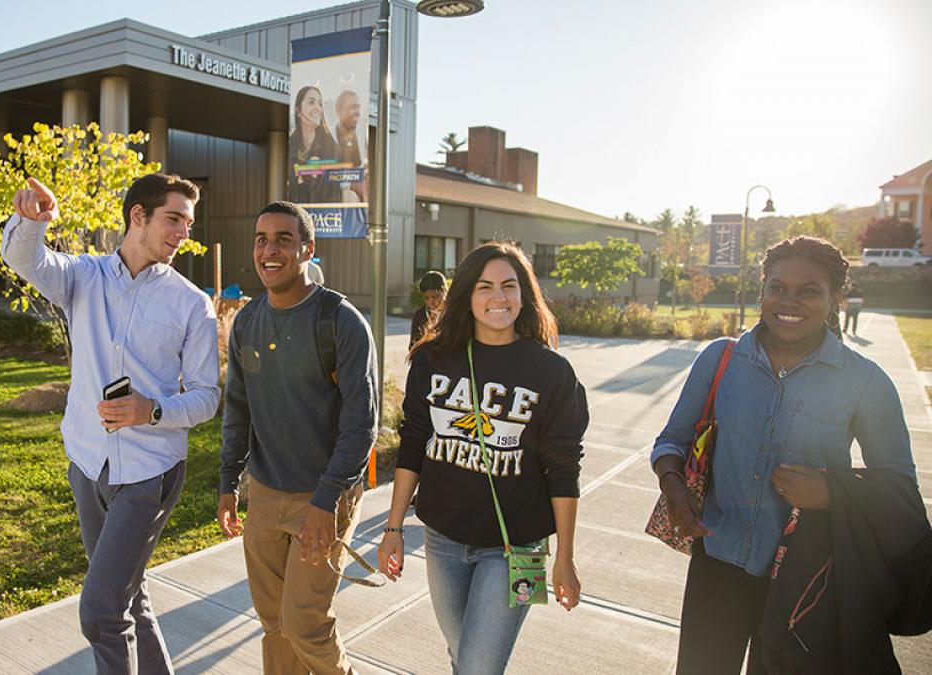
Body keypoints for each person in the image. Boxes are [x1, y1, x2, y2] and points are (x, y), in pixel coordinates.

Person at [651, 236, 916, 675]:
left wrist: (831, 491)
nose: (789, 301)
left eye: (809, 290)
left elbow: (900, 486)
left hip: (808, 579)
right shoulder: (721, 358)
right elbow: (671, 441)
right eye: (777, 287)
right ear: (761, 293)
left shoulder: (865, 382)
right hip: (718, 563)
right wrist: (673, 485)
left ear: (835, 299)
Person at [3, 173, 219, 675]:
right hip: (87, 465)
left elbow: (208, 396)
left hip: (149, 474)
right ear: (137, 216)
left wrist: (153, 410)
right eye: (174, 218)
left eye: (188, 222)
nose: (184, 231)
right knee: (129, 595)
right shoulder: (82, 276)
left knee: (101, 612)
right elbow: (24, 259)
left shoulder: (192, 304)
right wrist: (31, 223)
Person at [377, 241, 588, 675]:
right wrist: (394, 527)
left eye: (509, 286)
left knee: (478, 668)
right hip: (443, 540)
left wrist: (564, 555)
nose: (498, 298)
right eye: (485, 286)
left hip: (520, 548)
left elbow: (564, 468)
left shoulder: (552, 372)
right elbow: (413, 443)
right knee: (464, 659)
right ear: (467, 296)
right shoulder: (432, 360)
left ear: (524, 295)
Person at [218, 201, 378, 674]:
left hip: (323, 494)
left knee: (304, 622)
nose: (270, 250)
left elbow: (361, 425)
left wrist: (326, 501)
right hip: (266, 494)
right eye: (261, 239)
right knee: (274, 622)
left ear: (309, 248)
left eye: (284, 240)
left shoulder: (340, 321)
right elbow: (238, 408)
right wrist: (229, 481)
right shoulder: (247, 320)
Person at [288, 85, 343, 204]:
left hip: (326, 216)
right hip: (297, 214)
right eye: (311, 102)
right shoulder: (290, 145)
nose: (317, 108)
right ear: (298, 110)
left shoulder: (331, 145)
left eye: (320, 104)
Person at [333, 90, 366, 202]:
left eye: (358, 107)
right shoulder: (326, 138)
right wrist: (350, 184)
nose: (357, 112)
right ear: (339, 111)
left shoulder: (362, 136)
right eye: (353, 107)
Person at [409, 270, 448, 347]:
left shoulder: (453, 314)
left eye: (435, 297)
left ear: (444, 291)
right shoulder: (419, 316)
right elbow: (413, 346)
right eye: (426, 298)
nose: (431, 302)